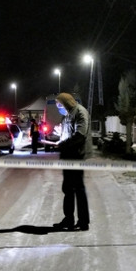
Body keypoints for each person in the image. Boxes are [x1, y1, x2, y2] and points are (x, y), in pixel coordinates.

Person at [51, 92, 93, 231]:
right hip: (68, 156)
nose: (58, 107)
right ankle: (69, 219)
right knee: (68, 189)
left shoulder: (80, 112)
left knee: (78, 189)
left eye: (59, 104)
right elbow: (68, 132)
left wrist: (63, 144)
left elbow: (80, 135)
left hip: (77, 156)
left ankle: (83, 221)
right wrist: (60, 132)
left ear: (66, 102)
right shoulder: (68, 114)